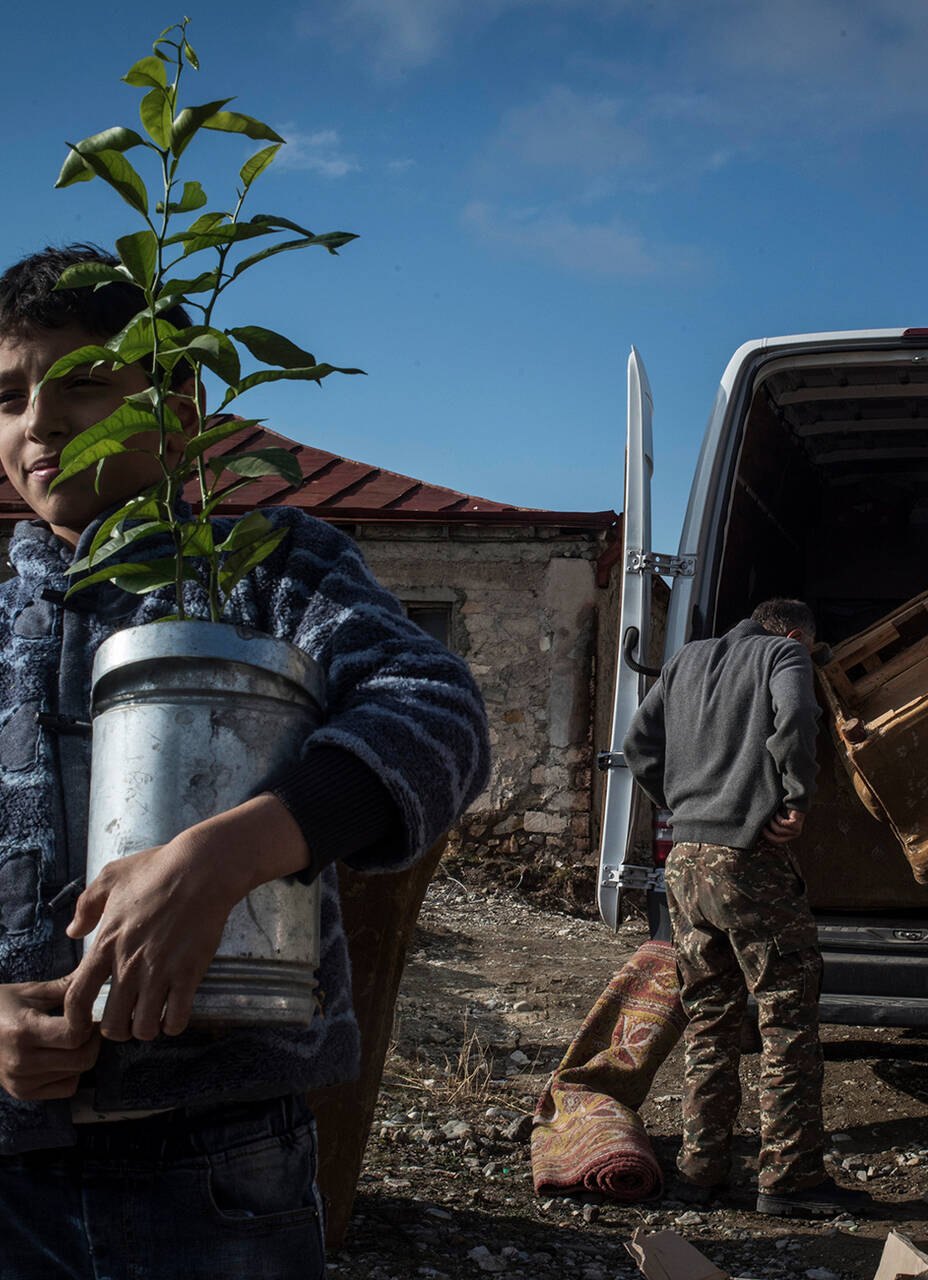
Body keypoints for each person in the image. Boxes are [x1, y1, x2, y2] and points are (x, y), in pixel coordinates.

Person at [0, 245, 490, 1277]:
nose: (37, 422)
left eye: (85, 382)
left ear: (178, 407)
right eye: (7, 396)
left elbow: (433, 709)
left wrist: (230, 854)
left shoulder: (266, 564)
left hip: (215, 1156)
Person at [622, 598, 869, 1219]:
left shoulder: (684, 659)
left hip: (684, 861)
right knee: (787, 1017)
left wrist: (684, 805)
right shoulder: (783, 653)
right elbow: (795, 719)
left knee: (709, 1017)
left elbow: (638, 743)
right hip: (748, 859)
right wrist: (796, 797)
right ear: (793, 633)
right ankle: (788, 1179)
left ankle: (700, 1171)